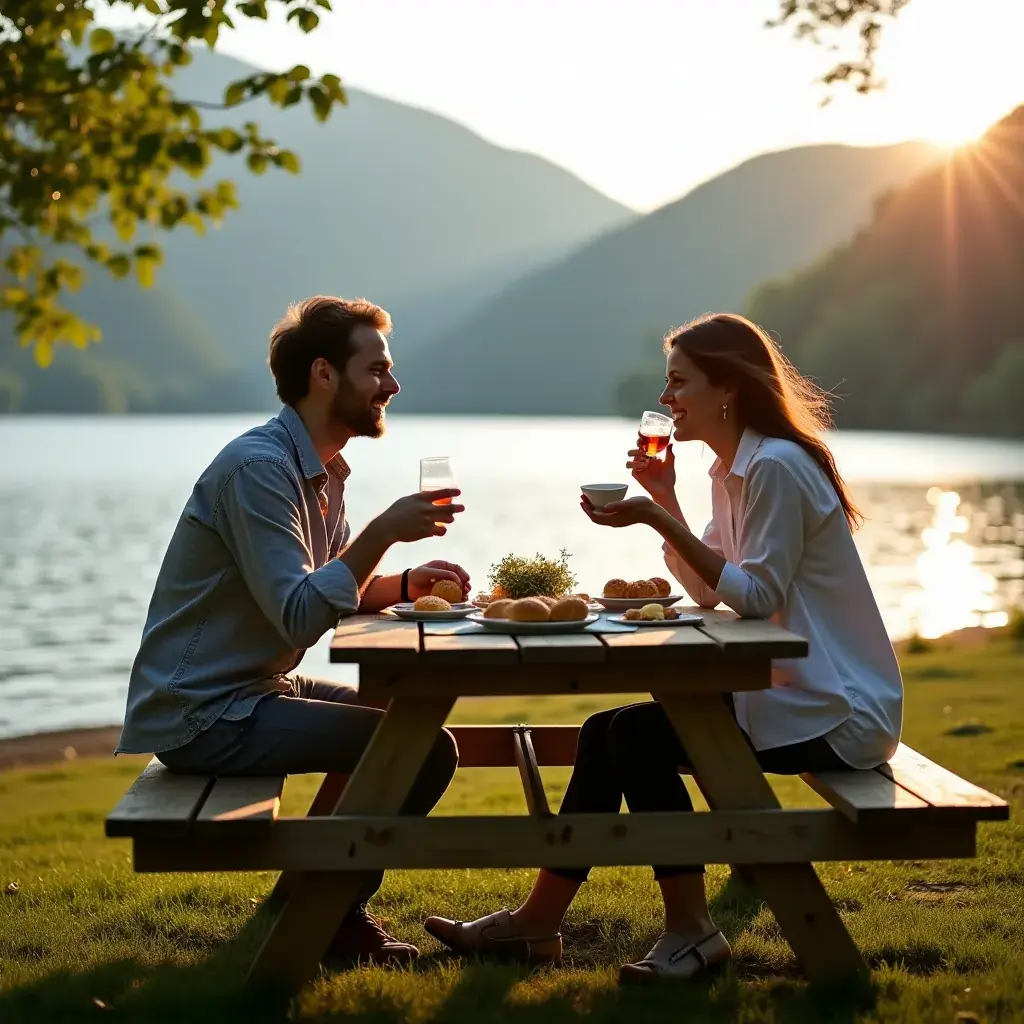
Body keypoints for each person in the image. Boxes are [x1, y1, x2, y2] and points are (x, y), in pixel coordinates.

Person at [424, 312, 903, 983]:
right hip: (792, 692)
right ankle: (538, 924)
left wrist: (653, 515)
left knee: (637, 739)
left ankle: (690, 933)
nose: (666, 398)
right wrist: (666, 497)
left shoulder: (777, 469)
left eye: (679, 381)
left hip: (838, 710)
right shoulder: (729, 469)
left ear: (727, 387)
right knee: (604, 731)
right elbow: (711, 594)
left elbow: (755, 596)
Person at [116, 296, 469, 967]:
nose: (392, 386)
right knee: (425, 750)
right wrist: (381, 533)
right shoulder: (259, 470)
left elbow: (320, 587)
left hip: (253, 685)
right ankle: (331, 913)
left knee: (402, 712)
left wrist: (401, 584)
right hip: (204, 710)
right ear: (324, 375)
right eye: (378, 370)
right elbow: (300, 613)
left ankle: (312, 900)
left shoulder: (320, 471)